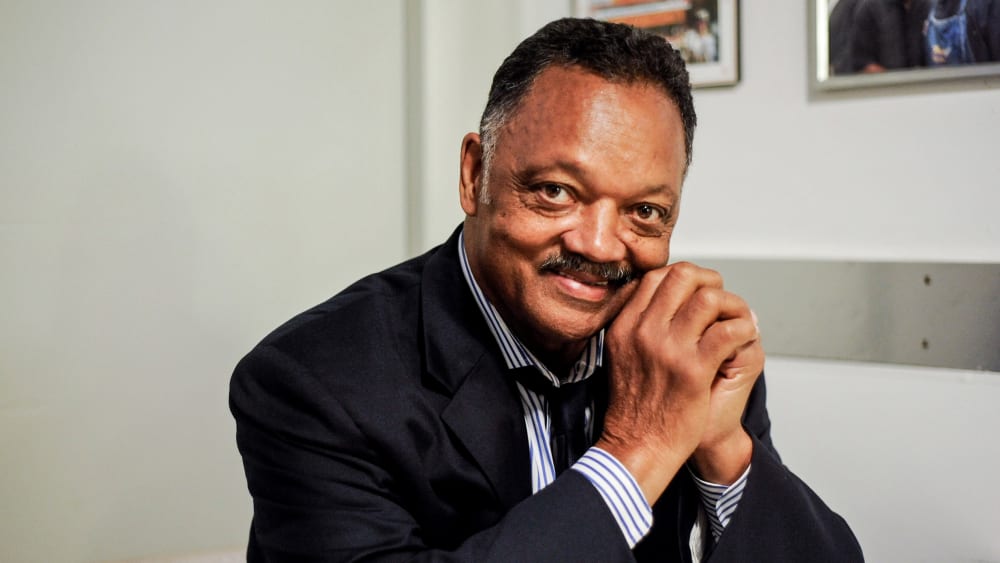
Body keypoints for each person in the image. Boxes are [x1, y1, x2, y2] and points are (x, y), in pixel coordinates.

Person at [230, 18, 863, 562]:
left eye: (644, 211)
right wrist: (636, 452)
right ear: (476, 175)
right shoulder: (313, 382)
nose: (598, 244)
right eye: (557, 192)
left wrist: (724, 445)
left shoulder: (681, 347)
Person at [850, 0, 931, 72]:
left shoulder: (928, 7)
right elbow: (862, 61)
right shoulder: (869, 8)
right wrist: (894, 83)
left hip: (928, 84)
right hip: (885, 86)